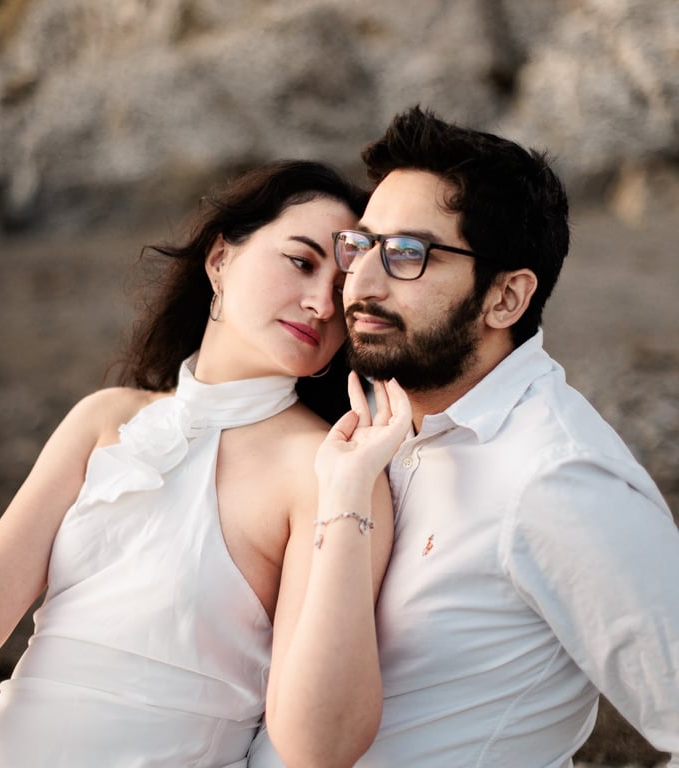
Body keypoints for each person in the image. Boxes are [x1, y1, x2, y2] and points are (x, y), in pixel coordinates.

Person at [0, 160, 412, 768]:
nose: (320, 305)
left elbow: (319, 737)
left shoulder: (327, 468)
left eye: (340, 290)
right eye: (301, 262)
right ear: (220, 259)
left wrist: (350, 490)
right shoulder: (106, 417)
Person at [248, 108, 679, 767]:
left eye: (408, 255)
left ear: (505, 299)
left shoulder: (557, 480)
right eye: (360, 246)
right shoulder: (371, 415)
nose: (360, 284)